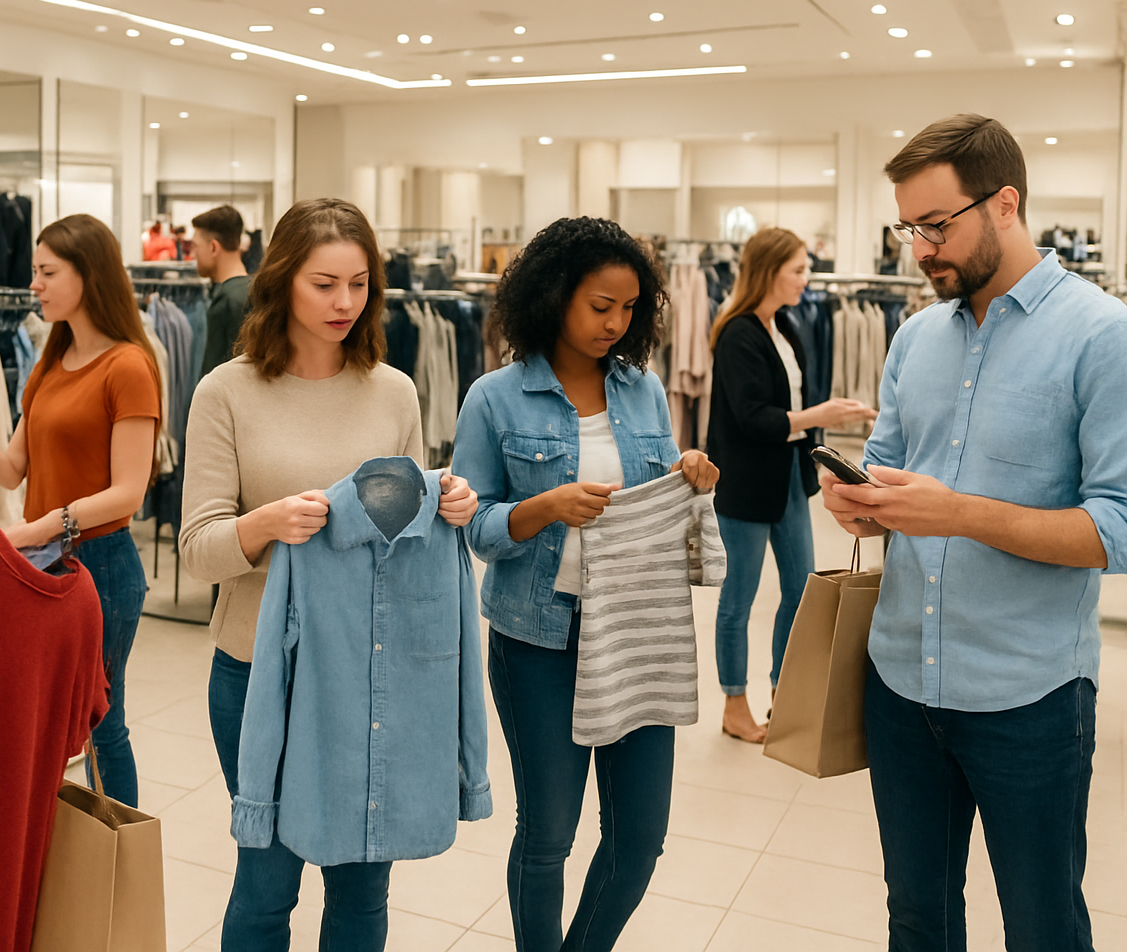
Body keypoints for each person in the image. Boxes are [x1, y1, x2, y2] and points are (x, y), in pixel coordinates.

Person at [822, 113, 1127, 952]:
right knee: (918, 918)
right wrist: (856, 502)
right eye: (907, 229)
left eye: (935, 225)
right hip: (900, 684)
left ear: (1004, 203)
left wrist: (957, 512)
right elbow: (884, 463)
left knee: (1043, 926)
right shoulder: (915, 335)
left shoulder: (1102, 337)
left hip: (1029, 697)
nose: (919, 250)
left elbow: (1118, 529)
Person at [180, 198, 479, 952]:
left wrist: (452, 505)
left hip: (369, 673)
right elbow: (196, 547)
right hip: (257, 673)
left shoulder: (394, 390)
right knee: (267, 881)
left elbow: (406, 525)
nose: (345, 302)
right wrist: (264, 526)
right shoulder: (226, 392)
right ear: (280, 281)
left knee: (361, 883)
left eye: (359, 283)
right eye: (324, 284)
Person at [451, 217, 719, 952]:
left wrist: (688, 474)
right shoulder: (495, 399)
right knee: (548, 835)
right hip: (537, 638)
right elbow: (474, 527)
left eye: (629, 308)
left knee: (640, 838)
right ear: (554, 295)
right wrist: (541, 508)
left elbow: (658, 500)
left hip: (633, 635)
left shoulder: (644, 392)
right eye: (600, 304)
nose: (615, 322)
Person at [0, 213, 161, 808]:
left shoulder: (128, 366)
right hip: (42, 566)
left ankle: (117, 855)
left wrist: (39, 527)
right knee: (44, 720)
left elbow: (129, 491)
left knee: (102, 721)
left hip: (100, 566)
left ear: (88, 275)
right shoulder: (50, 359)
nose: (35, 285)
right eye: (35, 273)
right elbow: (15, 468)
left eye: (47, 272)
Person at [705, 227, 876, 742]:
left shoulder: (786, 328)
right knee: (739, 598)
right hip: (746, 487)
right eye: (798, 269)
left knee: (802, 592)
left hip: (787, 481)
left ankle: (785, 691)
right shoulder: (737, 334)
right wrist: (819, 414)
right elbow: (755, 419)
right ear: (769, 270)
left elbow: (790, 413)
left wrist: (818, 452)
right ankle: (735, 703)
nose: (807, 279)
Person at [192, 203, 251, 376]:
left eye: (196, 246)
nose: (193, 254)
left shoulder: (226, 303)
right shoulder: (254, 291)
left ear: (213, 247)